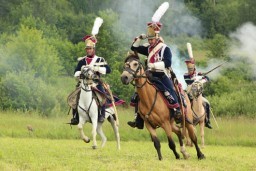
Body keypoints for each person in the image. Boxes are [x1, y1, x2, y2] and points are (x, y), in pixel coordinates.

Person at [127, 21, 182, 129]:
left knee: (170, 89)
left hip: (161, 74)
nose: (150, 41)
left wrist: (153, 65)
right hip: (149, 75)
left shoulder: (165, 48)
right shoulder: (148, 48)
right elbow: (134, 48)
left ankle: (177, 110)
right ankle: (138, 118)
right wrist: (139, 38)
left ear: (157, 38)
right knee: (139, 92)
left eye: (152, 39)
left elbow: (168, 63)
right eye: (149, 39)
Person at [70, 35, 111, 125]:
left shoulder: (100, 59)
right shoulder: (82, 61)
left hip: (96, 83)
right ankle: (75, 116)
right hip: (84, 83)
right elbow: (75, 72)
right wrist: (81, 71)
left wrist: (97, 68)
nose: (88, 50)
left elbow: (108, 70)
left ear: (93, 49)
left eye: (90, 48)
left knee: (102, 96)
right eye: (87, 49)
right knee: (75, 97)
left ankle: (102, 114)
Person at [183, 57, 212, 129]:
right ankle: (183, 120)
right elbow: (189, 82)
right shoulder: (186, 75)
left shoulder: (197, 74)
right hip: (190, 94)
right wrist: (196, 78)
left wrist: (201, 78)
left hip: (198, 94)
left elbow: (207, 79)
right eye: (189, 69)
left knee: (207, 103)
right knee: (184, 105)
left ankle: (207, 121)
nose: (190, 70)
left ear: (193, 68)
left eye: (191, 69)